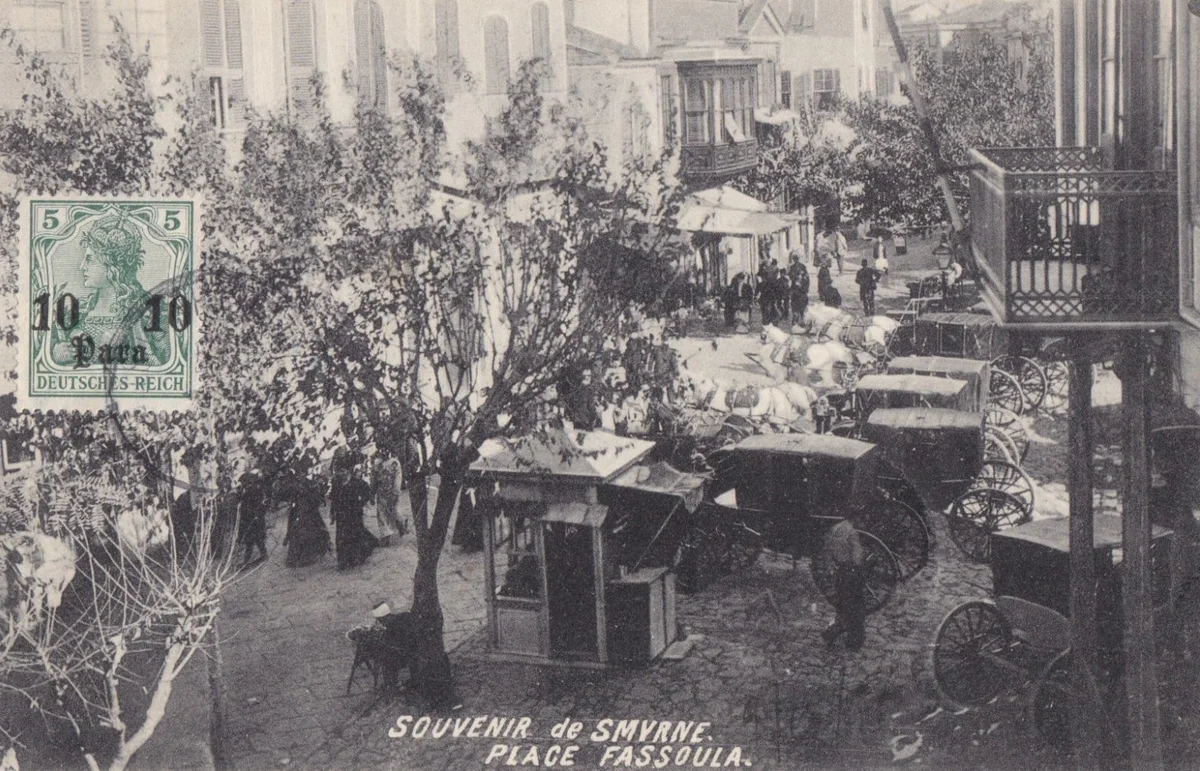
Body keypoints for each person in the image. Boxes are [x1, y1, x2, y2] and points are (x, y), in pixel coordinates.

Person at [52, 212, 170, 366]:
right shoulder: (77, 311)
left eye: (89, 260)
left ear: (112, 267)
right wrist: (57, 353)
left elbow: (165, 362)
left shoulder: (149, 314)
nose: (82, 267)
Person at [821, 519, 866, 651]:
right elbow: (857, 554)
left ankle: (834, 634)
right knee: (855, 607)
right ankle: (853, 640)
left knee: (845, 605)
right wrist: (857, 567)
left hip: (842, 572)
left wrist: (831, 569)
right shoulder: (850, 531)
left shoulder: (833, 531)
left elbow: (827, 553)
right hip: (852, 572)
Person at [330, 454, 376, 570]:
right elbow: (334, 499)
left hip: (354, 514)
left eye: (343, 470)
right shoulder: (336, 483)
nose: (340, 473)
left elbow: (367, 492)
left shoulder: (357, 483)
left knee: (355, 535)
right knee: (341, 537)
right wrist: (332, 512)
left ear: (348, 470)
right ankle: (342, 561)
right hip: (341, 515)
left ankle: (357, 557)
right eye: (338, 471)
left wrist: (361, 502)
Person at [282, 465, 331, 567]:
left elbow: (315, 497)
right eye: (298, 474)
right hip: (299, 510)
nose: (299, 476)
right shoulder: (296, 484)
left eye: (301, 474)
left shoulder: (308, 484)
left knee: (305, 531)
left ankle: (305, 556)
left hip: (307, 510)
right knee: (299, 531)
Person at [236, 469, 270, 567]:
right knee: (256, 539)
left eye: (243, 482)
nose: (242, 484)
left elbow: (257, 505)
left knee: (251, 540)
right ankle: (263, 554)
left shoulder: (254, 490)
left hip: (253, 519)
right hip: (250, 518)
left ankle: (247, 561)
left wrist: (255, 515)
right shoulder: (249, 489)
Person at [372, 456, 404, 547]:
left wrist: (396, 492)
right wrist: (372, 493)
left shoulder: (395, 462)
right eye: (381, 449)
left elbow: (398, 479)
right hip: (381, 492)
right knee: (381, 514)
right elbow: (374, 479)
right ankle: (386, 536)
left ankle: (401, 523)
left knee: (395, 511)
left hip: (392, 491)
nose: (383, 451)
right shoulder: (376, 462)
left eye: (385, 449)